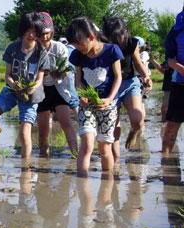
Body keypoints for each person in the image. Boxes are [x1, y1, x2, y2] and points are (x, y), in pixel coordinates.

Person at [0, 12, 50, 158]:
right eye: (28, 30)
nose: (31, 35)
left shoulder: (41, 53)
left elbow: (40, 79)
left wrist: (33, 87)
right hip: (12, 90)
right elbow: (7, 75)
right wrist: (14, 85)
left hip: (31, 96)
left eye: (34, 31)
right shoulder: (13, 48)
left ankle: (25, 170)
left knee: (24, 133)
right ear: (22, 30)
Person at [66, 17, 123, 177]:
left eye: (79, 42)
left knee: (105, 148)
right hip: (87, 106)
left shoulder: (112, 51)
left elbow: (118, 77)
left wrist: (110, 99)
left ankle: (107, 184)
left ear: (91, 36)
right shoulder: (78, 56)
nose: (76, 47)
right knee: (87, 145)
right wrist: (81, 95)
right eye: (74, 44)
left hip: (108, 106)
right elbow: (78, 80)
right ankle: (82, 183)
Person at [102, 18, 152, 162]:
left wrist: (146, 76)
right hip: (111, 86)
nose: (119, 39)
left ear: (126, 31)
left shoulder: (132, 42)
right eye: (114, 37)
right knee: (113, 124)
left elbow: (137, 62)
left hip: (130, 82)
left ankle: (133, 131)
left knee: (137, 120)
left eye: (121, 35)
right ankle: (116, 160)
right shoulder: (104, 44)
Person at [35, 12, 79, 158]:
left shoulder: (59, 48)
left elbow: (65, 71)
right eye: (41, 34)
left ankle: (76, 154)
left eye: (47, 33)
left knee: (65, 122)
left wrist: (53, 73)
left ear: (52, 31)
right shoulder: (34, 49)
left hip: (59, 88)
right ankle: (43, 157)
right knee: (43, 129)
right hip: (41, 89)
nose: (45, 37)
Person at [162, 9, 184, 156]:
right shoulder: (177, 28)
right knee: (171, 128)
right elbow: (170, 59)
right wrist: (180, 68)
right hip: (180, 85)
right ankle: (167, 169)